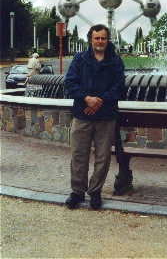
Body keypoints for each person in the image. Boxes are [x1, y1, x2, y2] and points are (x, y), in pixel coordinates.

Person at [64, 24, 125, 210]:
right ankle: (77, 192)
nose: (100, 41)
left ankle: (95, 192)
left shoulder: (115, 61)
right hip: (83, 115)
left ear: (107, 40)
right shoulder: (80, 59)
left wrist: (100, 101)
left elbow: (119, 87)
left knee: (103, 157)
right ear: (90, 39)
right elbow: (70, 82)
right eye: (97, 38)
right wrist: (86, 98)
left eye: (103, 38)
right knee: (78, 155)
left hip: (106, 116)